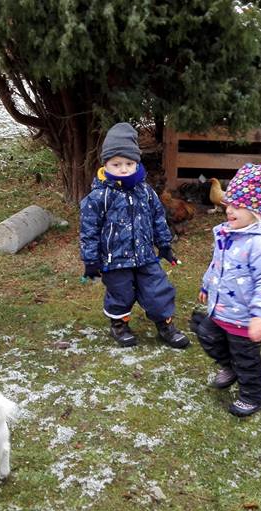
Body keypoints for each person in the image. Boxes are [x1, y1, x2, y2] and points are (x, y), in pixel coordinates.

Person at [79, 122, 190, 349]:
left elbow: (158, 218)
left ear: (136, 163)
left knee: (157, 289)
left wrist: (165, 245)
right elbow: (89, 230)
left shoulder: (145, 191)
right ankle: (119, 324)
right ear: (106, 164)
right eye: (116, 164)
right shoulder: (99, 196)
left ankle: (165, 324)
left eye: (129, 163)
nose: (123, 169)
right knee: (120, 294)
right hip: (115, 259)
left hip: (145, 255)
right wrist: (90, 260)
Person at [195, 163, 261, 417]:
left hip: (244, 316)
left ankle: (254, 395)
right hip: (222, 307)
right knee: (206, 334)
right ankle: (229, 366)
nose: (229, 210)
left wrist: (260, 316)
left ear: (256, 210)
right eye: (229, 204)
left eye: (237, 206)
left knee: (246, 358)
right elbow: (218, 264)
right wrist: (206, 284)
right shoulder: (229, 233)